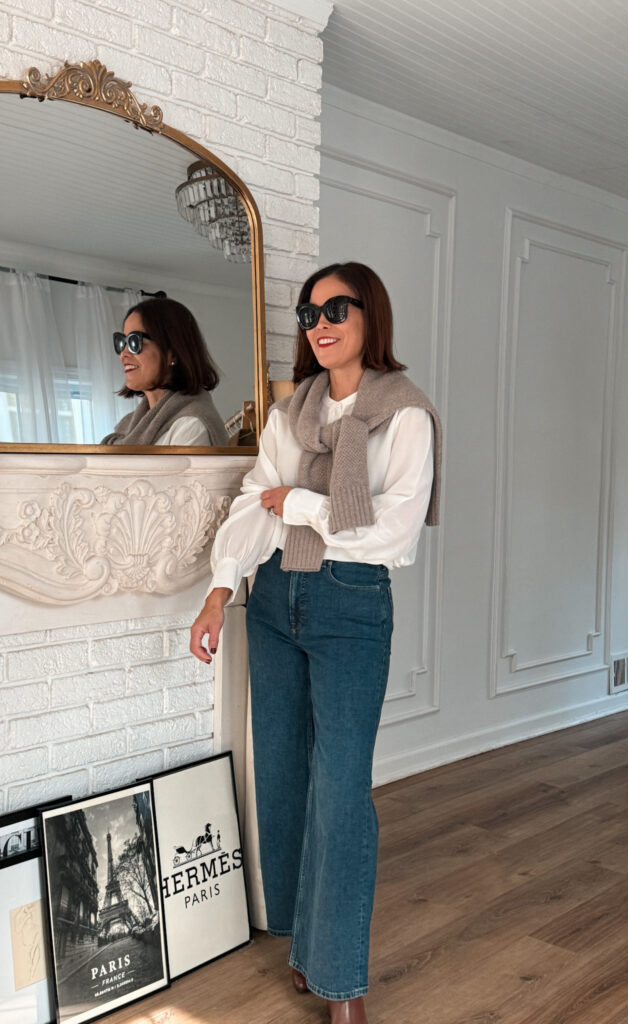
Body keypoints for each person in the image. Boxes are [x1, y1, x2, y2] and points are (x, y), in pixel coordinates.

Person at [189, 262, 442, 1024]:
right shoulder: (289, 411)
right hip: (274, 601)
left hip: (351, 605)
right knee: (285, 778)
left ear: (372, 316)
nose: (320, 321)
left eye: (338, 307)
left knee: (341, 794)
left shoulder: (405, 413)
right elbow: (251, 506)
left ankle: (342, 980)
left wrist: (296, 498)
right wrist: (219, 589)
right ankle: (305, 946)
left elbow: (390, 533)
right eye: (309, 311)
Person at [101, 296, 229, 446]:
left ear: (172, 352)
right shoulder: (129, 426)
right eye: (122, 342)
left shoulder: (191, 426)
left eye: (134, 341)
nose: (123, 353)